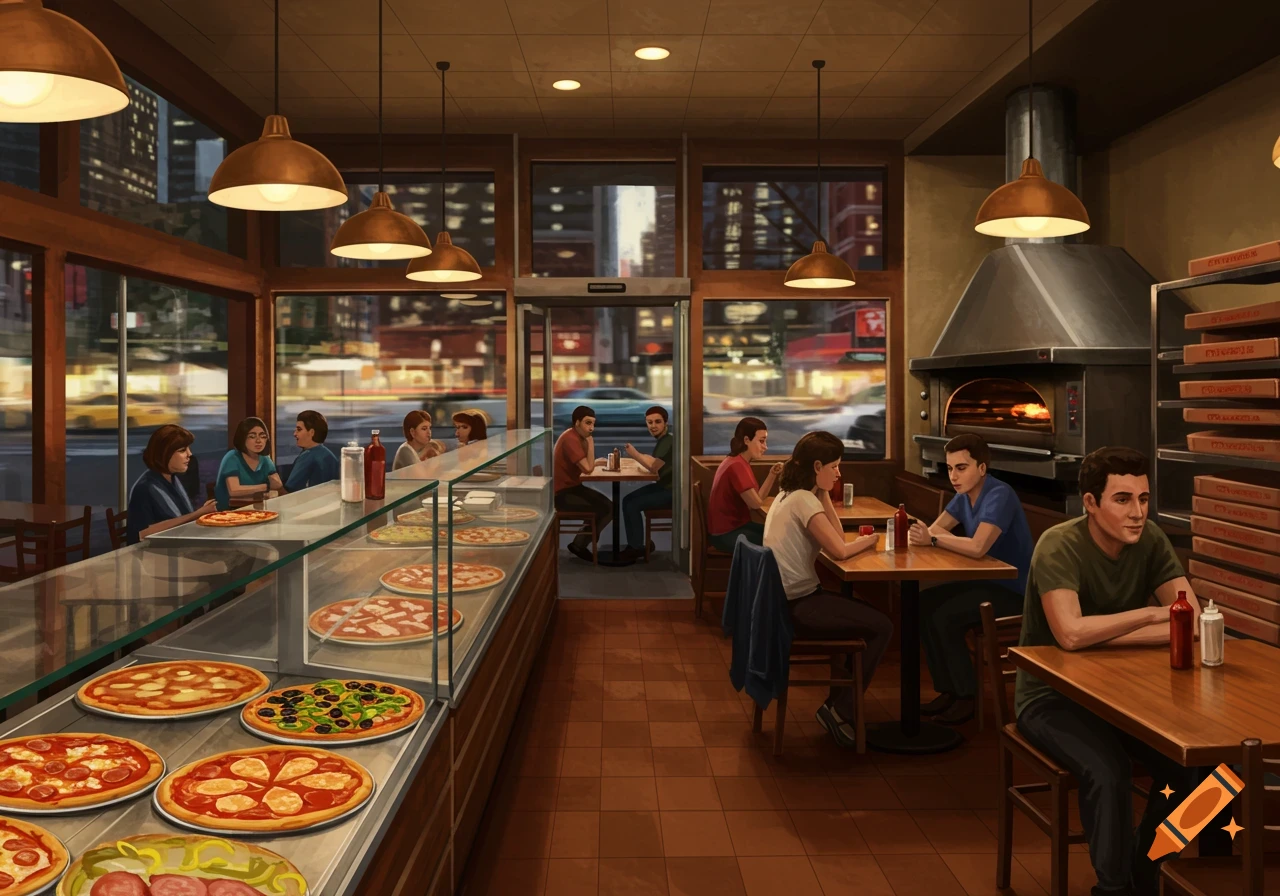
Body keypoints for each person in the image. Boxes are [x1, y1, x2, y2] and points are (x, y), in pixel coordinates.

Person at [1014, 447, 1228, 896]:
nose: (1138, 513)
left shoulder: (1149, 539)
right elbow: (1070, 635)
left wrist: (1108, 632)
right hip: (1052, 697)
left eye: (1144, 499)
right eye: (1123, 499)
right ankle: (1113, 889)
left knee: (1205, 770)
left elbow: (1185, 626)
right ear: (1091, 504)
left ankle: (1148, 868)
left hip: (1129, 695)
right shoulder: (1059, 543)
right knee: (1109, 771)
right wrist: (1148, 616)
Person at [762, 430, 892, 750]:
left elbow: (835, 537)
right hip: (798, 606)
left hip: (783, 602)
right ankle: (839, 709)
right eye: (834, 466)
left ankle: (838, 706)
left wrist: (823, 492)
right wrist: (872, 540)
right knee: (883, 626)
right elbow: (841, 551)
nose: (839, 473)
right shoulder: (803, 500)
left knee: (860, 616)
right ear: (816, 465)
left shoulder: (792, 493)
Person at [906, 433, 1034, 725]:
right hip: (986, 582)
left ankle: (966, 697)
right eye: (949, 468)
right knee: (922, 603)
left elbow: (977, 547)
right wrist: (934, 537)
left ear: (982, 469)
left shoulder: (999, 494)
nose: (953, 475)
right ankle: (948, 691)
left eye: (961, 468)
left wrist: (936, 540)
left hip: (1015, 589)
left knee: (945, 617)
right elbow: (936, 529)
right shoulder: (963, 496)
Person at [126, 424, 218, 543]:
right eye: (182, 450)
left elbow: (181, 517)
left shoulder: (173, 479)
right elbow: (142, 534)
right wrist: (198, 514)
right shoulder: (145, 488)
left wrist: (201, 512)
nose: (189, 454)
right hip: (152, 555)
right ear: (164, 454)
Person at [707, 417, 782, 553]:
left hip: (732, 528)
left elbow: (756, 500)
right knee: (780, 540)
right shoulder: (737, 466)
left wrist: (772, 474)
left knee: (779, 534)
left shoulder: (736, 461)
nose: (765, 447)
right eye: (761, 441)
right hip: (726, 534)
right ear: (747, 440)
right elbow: (756, 504)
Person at [553, 405, 610, 562]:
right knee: (606, 508)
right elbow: (587, 468)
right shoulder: (571, 439)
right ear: (577, 422)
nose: (591, 428)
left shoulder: (574, 436)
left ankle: (580, 542)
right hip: (561, 494)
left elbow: (586, 465)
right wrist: (591, 445)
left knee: (608, 507)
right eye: (588, 423)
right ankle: (580, 544)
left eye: (593, 424)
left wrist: (595, 462)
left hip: (572, 488)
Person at [620, 405, 674, 561]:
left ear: (666, 423)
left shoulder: (668, 440)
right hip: (664, 486)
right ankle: (636, 544)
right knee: (627, 500)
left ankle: (636, 548)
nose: (653, 426)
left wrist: (634, 454)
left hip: (671, 491)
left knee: (631, 504)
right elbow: (655, 461)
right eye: (650, 422)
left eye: (657, 422)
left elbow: (654, 467)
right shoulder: (665, 440)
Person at [214, 417, 284, 510]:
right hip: (228, 512)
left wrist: (273, 486)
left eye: (263, 436)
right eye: (252, 436)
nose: (258, 441)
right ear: (242, 438)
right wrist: (266, 487)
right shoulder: (232, 457)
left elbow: (277, 484)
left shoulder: (265, 459)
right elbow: (234, 490)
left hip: (256, 510)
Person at [284, 410, 339, 491]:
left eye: (299, 429)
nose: (295, 434)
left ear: (311, 432)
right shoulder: (329, 455)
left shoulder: (307, 456)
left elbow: (290, 490)